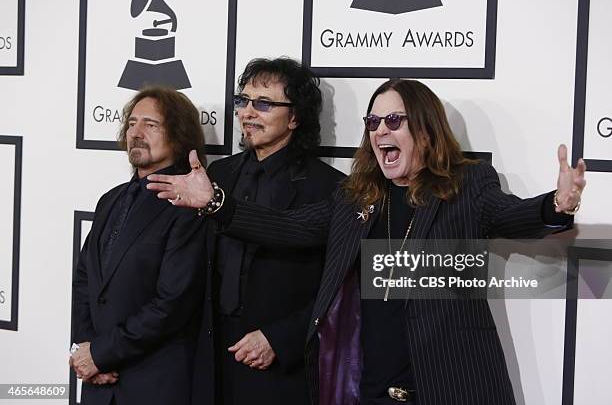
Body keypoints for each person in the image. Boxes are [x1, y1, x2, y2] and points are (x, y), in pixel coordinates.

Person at [147, 79, 586, 405]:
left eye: (394, 121)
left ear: (427, 129)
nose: (379, 131)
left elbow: (509, 214)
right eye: (373, 121)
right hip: (369, 391)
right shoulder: (358, 196)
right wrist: (216, 202)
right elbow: (292, 227)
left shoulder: (465, 185)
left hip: (448, 386)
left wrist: (556, 205)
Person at [188, 57, 345, 405]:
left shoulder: (329, 187)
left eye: (264, 103)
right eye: (243, 101)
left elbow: (340, 288)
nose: (247, 113)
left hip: (281, 367)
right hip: (211, 357)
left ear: (294, 117)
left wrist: (281, 338)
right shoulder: (218, 175)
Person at [70, 86, 208, 405]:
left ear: (179, 134)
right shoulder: (111, 199)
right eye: (132, 123)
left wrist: (103, 354)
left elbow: (171, 304)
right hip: (98, 383)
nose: (136, 132)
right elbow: (84, 281)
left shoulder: (187, 205)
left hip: (152, 384)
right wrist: (85, 350)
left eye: (151, 124)